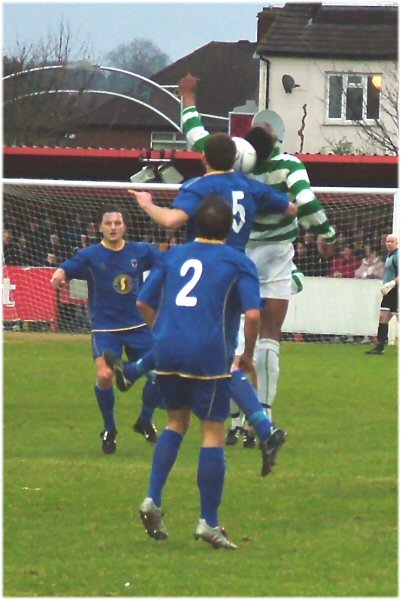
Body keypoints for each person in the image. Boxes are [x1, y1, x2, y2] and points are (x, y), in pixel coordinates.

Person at [178, 73, 336, 429]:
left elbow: (196, 135)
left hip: (238, 249)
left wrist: (188, 96)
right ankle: (262, 412)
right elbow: (307, 202)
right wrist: (328, 234)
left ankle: (233, 417)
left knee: (235, 330)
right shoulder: (288, 164)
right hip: (277, 252)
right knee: (269, 333)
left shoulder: (230, 160)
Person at [133, 195, 285, 550]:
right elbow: (252, 314)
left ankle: (152, 498)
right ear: (232, 225)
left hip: (168, 351)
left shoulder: (173, 256)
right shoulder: (237, 261)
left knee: (175, 423)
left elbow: (143, 301)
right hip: (208, 355)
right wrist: (246, 356)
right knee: (213, 433)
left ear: (195, 224)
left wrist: (162, 334)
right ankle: (209, 522)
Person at [51, 204, 163, 454]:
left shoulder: (140, 251)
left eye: (117, 223)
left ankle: (144, 419)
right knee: (104, 376)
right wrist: (58, 275)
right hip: (105, 329)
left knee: (161, 376)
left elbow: (166, 262)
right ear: (100, 227)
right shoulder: (90, 255)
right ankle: (109, 428)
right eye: (108, 223)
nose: (113, 227)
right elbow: (67, 267)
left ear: (125, 226)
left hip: (138, 326)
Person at [128, 132, 296, 252]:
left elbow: (171, 221)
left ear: (204, 159)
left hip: (204, 263)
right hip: (238, 264)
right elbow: (291, 209)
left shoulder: (199, 186)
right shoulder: (254, 187)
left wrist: (147, 203)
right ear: (235, 160)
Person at [366, 234, 398, 355]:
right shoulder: (390, 256)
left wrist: (392, 283)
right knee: (383, 318)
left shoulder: (397, 256)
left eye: (392, 241)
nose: (389, 243)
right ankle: (380, 348)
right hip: (388, 292)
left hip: (396, 291)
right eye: (387, 241)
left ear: (397, 243)